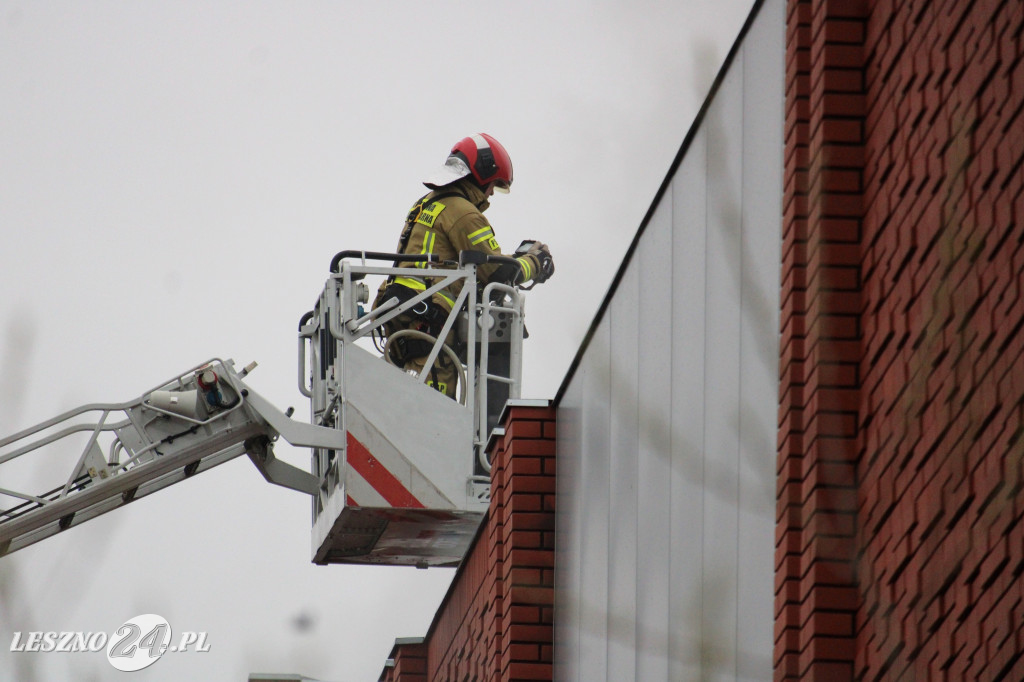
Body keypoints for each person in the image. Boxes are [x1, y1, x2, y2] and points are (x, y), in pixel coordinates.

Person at [374, 133, 554, 400]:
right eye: (493, 184)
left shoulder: (427, 203)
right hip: (431, 326)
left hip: (406, 318)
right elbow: (497, 273)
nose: (492, 192)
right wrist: (535, 263)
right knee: (436, 419)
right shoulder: (464, 212)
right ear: (481, 174)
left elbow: (464, 263)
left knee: (405, 407)